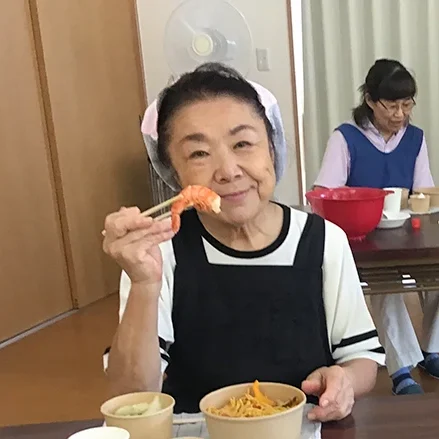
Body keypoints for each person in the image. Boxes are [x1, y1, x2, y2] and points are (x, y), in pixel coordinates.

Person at [103, 63, 384, 422]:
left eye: (243, 144)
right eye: (198, 153)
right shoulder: (157, 250)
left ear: (272, 149)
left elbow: (361, 358)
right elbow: (131, 398)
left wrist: (344, 381)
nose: (228, 171)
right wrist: (144, 284)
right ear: (173, 172)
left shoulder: (323, 240)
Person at [315, 58, 439, 395]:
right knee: (387, 285)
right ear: (370, 100)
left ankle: (432, 349)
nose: (400, 114)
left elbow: (423, 191)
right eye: (392, 105)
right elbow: (325, 193)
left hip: (406, 232)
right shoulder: (346, 138)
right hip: (362, 237)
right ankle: (400, 369)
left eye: (407, 105)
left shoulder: (415, 138)